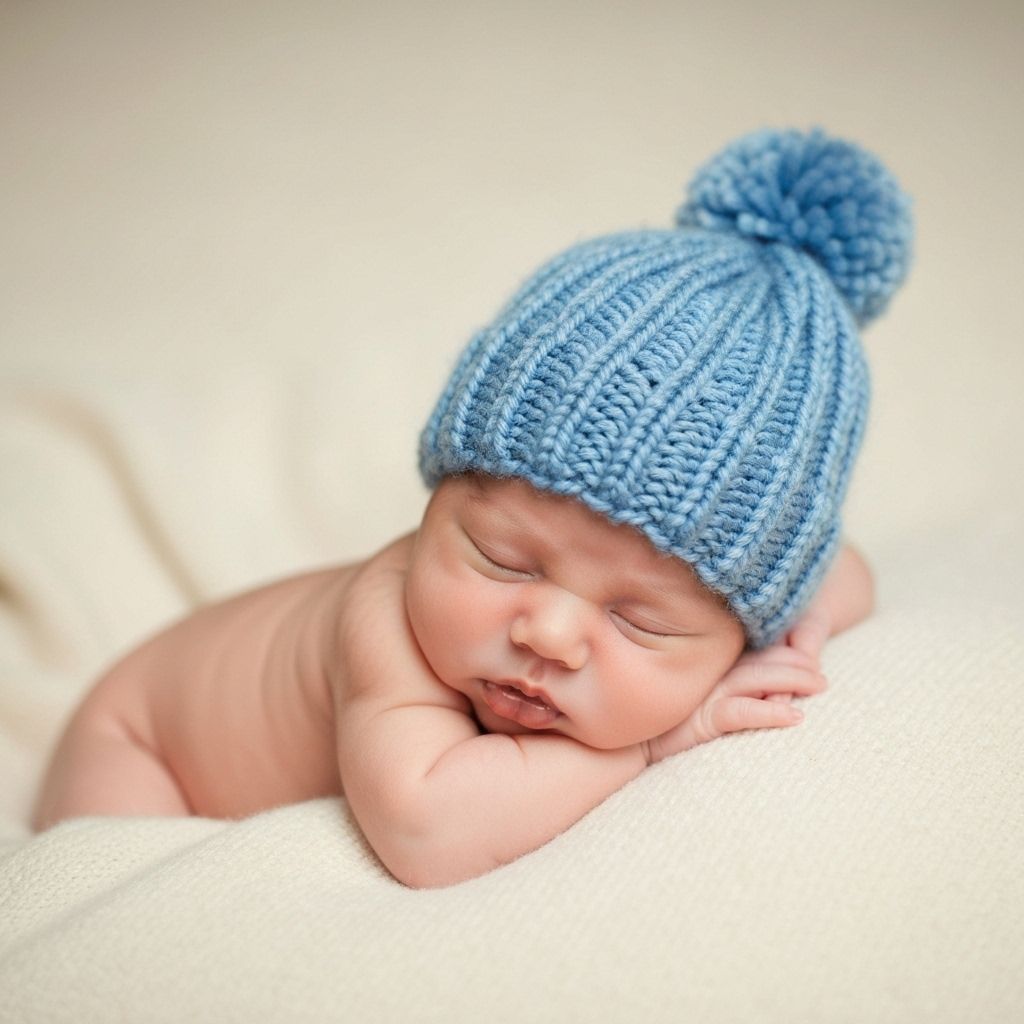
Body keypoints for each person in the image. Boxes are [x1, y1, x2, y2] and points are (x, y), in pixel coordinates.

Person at [32, 127, 912, 888]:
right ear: (440, 502)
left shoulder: (733, 599)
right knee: (115, 883)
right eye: (503, 559)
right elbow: (426, 831)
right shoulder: (385, 624)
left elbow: (836, 575)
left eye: (639, 619)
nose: (549, 635)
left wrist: (792, 634)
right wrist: (659, 735)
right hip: (142, 741)